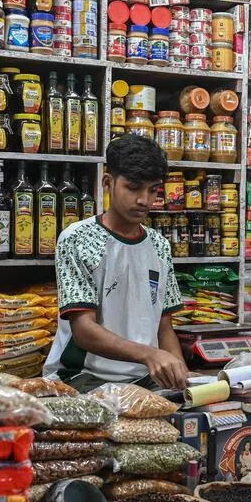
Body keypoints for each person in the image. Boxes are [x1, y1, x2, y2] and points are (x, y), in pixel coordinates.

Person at [43, 135, 189, 393]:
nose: (144, 200)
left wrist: (180, 373)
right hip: (82, 377)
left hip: (144, 378)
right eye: (134, 187)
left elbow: (164, 326)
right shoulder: (77, 238)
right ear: (108, 183)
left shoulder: (159, 245)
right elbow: (83, 329)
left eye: (153, 189)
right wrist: (149, 355)